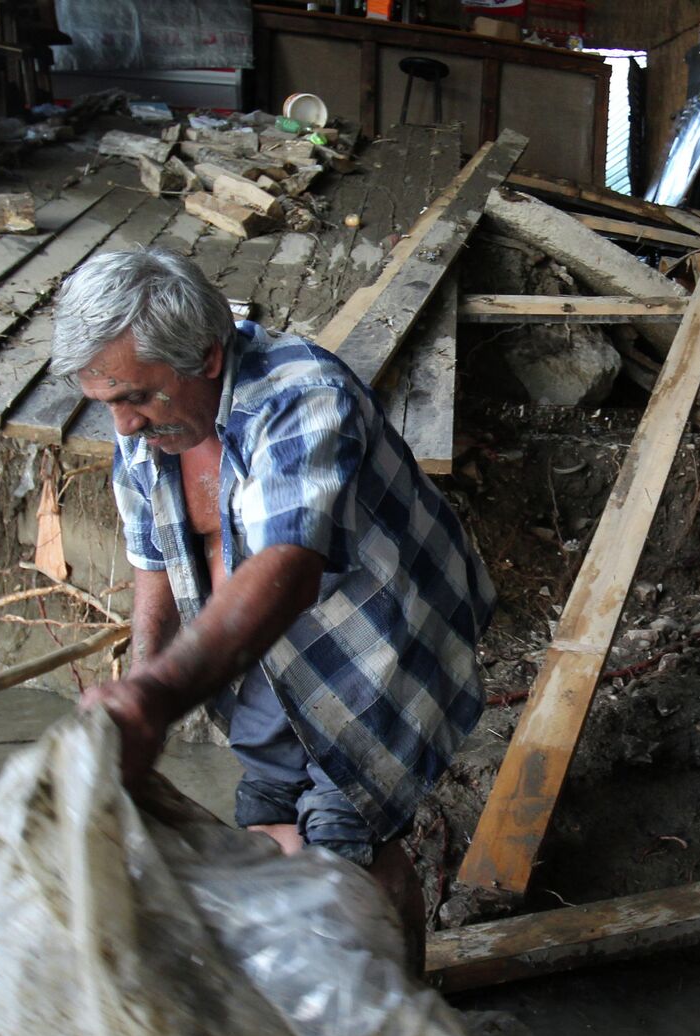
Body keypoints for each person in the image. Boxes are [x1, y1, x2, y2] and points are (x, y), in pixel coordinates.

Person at [50, 246, 495, 881]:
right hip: (258, 658)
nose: (121, 425)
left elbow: (288, 566)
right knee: (267, 827)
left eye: (136, 397)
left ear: (205, 356)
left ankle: (397, 977)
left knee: (347, 856)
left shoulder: (303, 396)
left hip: (376, 646)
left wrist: (155, 694)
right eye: (105, 402)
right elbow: (155, 562)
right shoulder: (146, 428)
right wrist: (142, 687)